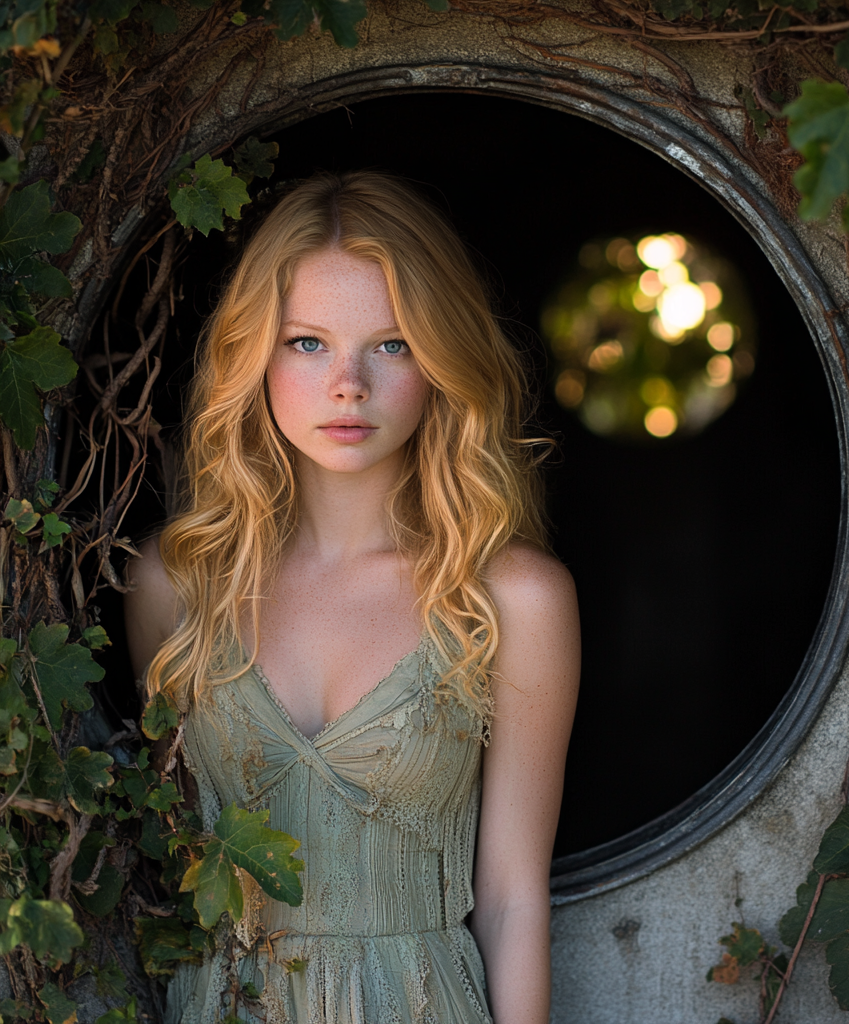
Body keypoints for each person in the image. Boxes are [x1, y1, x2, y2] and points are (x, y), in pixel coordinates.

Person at [123, 171, 581, 1024]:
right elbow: (170, 867)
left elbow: (515, 896)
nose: (348, 384)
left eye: (392, 343)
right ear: (253, 352)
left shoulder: (512, 599)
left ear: (442, 359)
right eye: (306, 343)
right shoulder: (174, 584)